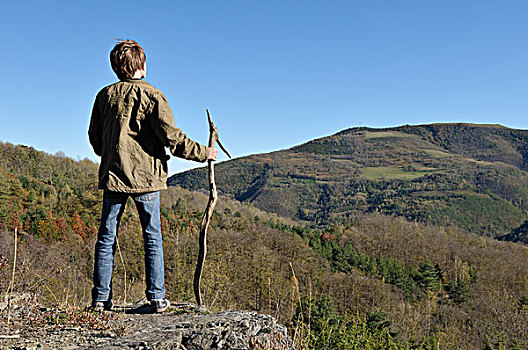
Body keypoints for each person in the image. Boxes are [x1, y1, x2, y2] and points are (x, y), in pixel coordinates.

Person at [88, 40, 217, 313]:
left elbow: (95, 138)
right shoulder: (153, 95)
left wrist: (110, 154)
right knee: (152, 237)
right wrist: (205, 153)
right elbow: (173, 138)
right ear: (141, 64)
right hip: (147, 178)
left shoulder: (104, 96)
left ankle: (100, 300)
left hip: (113, 176)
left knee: (106, 237)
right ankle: (157, 298)